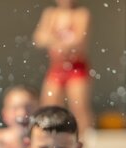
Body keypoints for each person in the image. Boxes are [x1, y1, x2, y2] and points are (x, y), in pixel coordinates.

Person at [32, 0, 94, 137]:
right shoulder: (51, 13)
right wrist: (61, 42)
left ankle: (83, 140)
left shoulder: (81, 14)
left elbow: (79, 42)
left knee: (79, 107)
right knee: (48, 106)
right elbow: (38, 39)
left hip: (76, 68)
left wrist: (52, 39)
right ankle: (47, 137)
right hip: (57, 67)